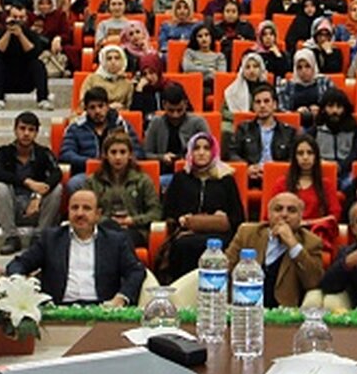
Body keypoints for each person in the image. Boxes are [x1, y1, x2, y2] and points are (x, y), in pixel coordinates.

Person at [4, 189, 146, 306]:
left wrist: (122, 297)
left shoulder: (115, 241)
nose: (79, 213)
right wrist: (19, 282)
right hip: (58, 310)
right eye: (74, 208)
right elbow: (18, 264)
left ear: (98, 214)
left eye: (87, 208)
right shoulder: (51, 239)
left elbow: (136, 271)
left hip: (103, 309)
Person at [158, 131, 244, 282]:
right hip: (187, 233)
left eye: (206, 148)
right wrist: (181, 219)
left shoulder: (226, 180)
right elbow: (168, 212)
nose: (201, 153)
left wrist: (222, 217)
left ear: (214, 152)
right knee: (183, 246)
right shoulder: (181, 178)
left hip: (219, 234)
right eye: (196, 148)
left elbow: (238, 216)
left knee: (217, 246)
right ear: (190, 153)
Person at [225, 192, 325, 309]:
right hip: (244, 308)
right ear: (269, 214)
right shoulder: (247, 233)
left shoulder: (311, 242)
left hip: (283, 312)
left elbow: (314, 282)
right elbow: (224, 267)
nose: (284, 214)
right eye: (278, 209)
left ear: (300, 217)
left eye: (291, 210)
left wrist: (293, 245)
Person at [0, 111, 63, 255]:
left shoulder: (44, 152)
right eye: (22, 128)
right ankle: (11, 237)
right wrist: (27, 182)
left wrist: (38, 196)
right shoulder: (3, 151)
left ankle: (39, 236)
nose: (26, 133)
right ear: (15, 130)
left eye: (31, 130)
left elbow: (57, 173)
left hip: (37, 210)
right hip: (10, 209)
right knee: (0, 186)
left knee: (58, 189)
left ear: (36, 133)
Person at [84, 130, 162, 248]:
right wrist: (109, 221)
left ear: (130, 155)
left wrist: (132, 220)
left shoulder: (143, 180)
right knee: (107, 235)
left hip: (134, 230)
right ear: (105, 155)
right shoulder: (92, 181)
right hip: (103, 228)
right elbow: (87, 211)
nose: (118, 157)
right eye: (113, 152)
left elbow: (156, 212)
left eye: (122, 152)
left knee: (122, 238)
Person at [61, 86, 143, 190]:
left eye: (101, 106)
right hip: (88, 173)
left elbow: (138, 152)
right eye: (92, 108)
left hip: (119, 173)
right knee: (74, 184)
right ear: (86, 109)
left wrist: (117, 161)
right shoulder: (76, 128)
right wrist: (91, 162)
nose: (97, 111)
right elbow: (66, 154)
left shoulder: (122, 125)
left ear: (107, 106)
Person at [227, 84, 297, 185]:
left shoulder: (289, 132)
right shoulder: (243, 129)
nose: (262, 105)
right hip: (250, 178)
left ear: (275, 105)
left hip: (280, 179)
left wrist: (274, 171)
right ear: (253, 106)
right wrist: (247, 168)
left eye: (266, 101)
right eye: (258, 102)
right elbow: (232, 153)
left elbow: (293, 158)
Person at [0, 4, 53, 111]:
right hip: (6, 79)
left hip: (25, 79)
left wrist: (20, 35)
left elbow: (33, 53)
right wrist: (8, 33)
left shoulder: (31, 34)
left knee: (38, 64)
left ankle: (43, 99)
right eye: (15, 17)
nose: (18, 20)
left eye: (21, 17)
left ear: (26, 18)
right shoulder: (0, 33)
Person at [143, 83, 211, 179]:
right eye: (171, 110)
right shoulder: (156, 123)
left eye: (179, 110)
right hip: (162, 174)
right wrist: (161, 157)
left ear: (186, 104)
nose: (175, 115)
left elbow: (210, 150)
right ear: (164, 105)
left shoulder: (198, 123)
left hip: (193, 173)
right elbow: (146, 154)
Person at [84, 43, 133, 109]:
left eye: (117, 58)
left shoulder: (127, 84)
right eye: (109, 58)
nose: (113, 61)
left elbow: (130, 108)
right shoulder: (92, 79)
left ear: (123, 61)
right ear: (103, 62)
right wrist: (108, 108)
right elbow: (83, 103)